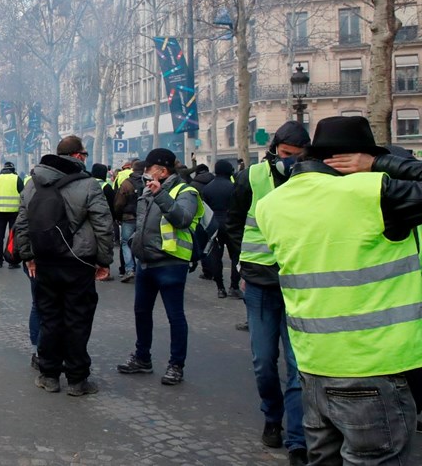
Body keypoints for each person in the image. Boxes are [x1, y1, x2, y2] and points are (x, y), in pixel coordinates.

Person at [256, 116, 422, 465]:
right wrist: (380, 163)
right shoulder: (371, 191)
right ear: (352, 160)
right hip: (374, 364)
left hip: (313, 365)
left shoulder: (272, 203)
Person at [226, 121, 310, 463]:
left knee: (297, 364)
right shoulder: (251, 177)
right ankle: (272, 416)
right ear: (274, 148)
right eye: (286, 155)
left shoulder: (313, 180)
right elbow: (232, 223)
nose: (289, 161)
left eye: (297, 156)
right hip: (260, 283)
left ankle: (297, 438)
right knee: (263, 362)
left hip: (298, 284)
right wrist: (242, 265)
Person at [14, 136, 114, 396]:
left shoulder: (32, 184)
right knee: (77, 319)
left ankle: (49, 375)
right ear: (78, 156)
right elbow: (104, 226)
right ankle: (77, 380)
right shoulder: (89, 185)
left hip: (44, 261)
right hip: (78, 262)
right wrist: (103, 261)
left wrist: (28, 257)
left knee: (49, 317)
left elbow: (21, 225)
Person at [118, 147, 201, 386]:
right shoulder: (147, 189)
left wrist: (161, 195)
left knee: (175, 316)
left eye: (149, 169)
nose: (145, 173)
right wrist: (135, 244)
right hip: (146, 262)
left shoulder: (186, 191)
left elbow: (183, 219)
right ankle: (142, 357)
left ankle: (176, 365)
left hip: (171, 263)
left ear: (162, 171)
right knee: (141, 312)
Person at [202, 160, 239, 299]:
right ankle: (234, 287)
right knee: (236, 256)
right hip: (232, 225)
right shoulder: (233, 187)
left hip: (214, 226)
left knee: (216, 258)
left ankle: (220, 288)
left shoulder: (208, 188)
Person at [0, 161, 25, 269]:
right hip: (14, 211)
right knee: (13, 237)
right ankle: (12, 261)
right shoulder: (16, 178)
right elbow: (23, 194)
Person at [114, 160, 144, 284]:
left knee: (126, 243)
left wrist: (118, 216)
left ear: (132, 169)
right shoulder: (148, 183)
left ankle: (129, 269)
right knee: (143, 243)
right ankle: (144, 270)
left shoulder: (126, 184)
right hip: (144, 218)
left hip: (129, 218)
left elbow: (119, 203)